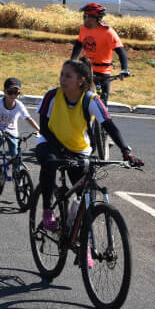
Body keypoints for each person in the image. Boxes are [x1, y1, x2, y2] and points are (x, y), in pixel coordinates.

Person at [34, 58, 141, 233]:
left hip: (78, 149)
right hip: (51, 142)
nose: (62, 79)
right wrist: (62, 150)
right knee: (50, 162)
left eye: (68, 76)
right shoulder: (51, 96)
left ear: (81, 80)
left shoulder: (91, 100)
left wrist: (126, 151)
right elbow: (44, 128)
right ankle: (47, 210)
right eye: (62, 74)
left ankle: (82, 241)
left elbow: (109, 125)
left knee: (85, 193)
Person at [71, 3, 129, 103]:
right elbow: (79, 45)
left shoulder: (108, 32)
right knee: (80, 100)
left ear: (92, 18)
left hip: (102, 72)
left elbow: (120, 51)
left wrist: (124, 69)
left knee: (102, 103)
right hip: (87, 69)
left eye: (85, 16)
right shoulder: (84, 29)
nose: (83, 19)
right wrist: (72, 61)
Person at [0, 77, 40, 164]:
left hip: (12, 131)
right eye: (10, 92)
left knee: (15, 154)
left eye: (15, 93)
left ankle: (17, 173)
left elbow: (28, 118)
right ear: (4, 91)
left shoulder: (19, 105)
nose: (13, 95)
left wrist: (39, 130)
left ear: (19, 93)